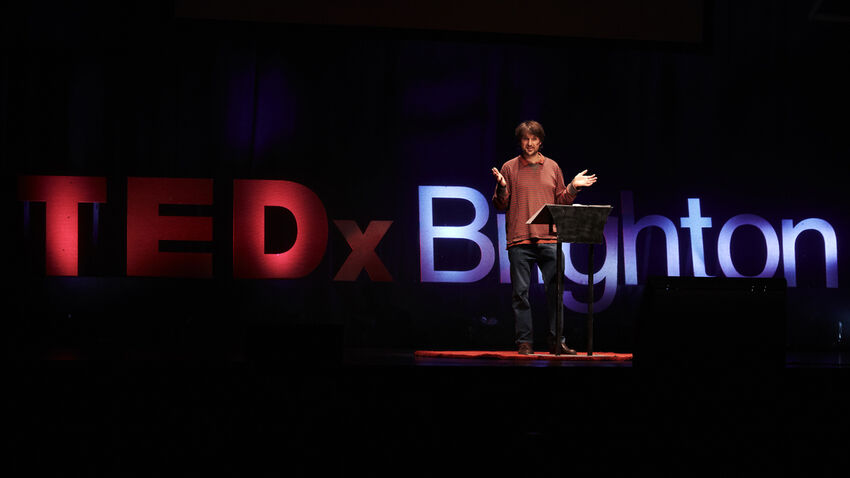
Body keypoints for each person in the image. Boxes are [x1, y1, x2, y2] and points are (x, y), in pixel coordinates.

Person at [491, 120, 597, 355]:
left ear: (540, 141)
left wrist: (572, 186)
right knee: (520, 295)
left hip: (550, 240)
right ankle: (524, 342)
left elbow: (561, 202)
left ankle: (556, 341)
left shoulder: (553, 167)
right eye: (525, 139)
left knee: (556, 293)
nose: (530, 143)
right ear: (520, 141)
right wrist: (500, 187)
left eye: (534, 139)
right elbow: (501, 204)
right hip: (519, 240)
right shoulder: (508, 167)